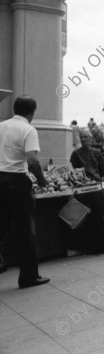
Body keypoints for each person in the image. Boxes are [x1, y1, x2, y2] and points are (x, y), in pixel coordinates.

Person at [0, 96, 51, 288]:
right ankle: (28, 276)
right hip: (16, 182)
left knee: (1, 225)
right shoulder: (28, 129)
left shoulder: (1, 126)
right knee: (25, 231)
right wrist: (41, 180)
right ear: (33, 111)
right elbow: (32, 160)